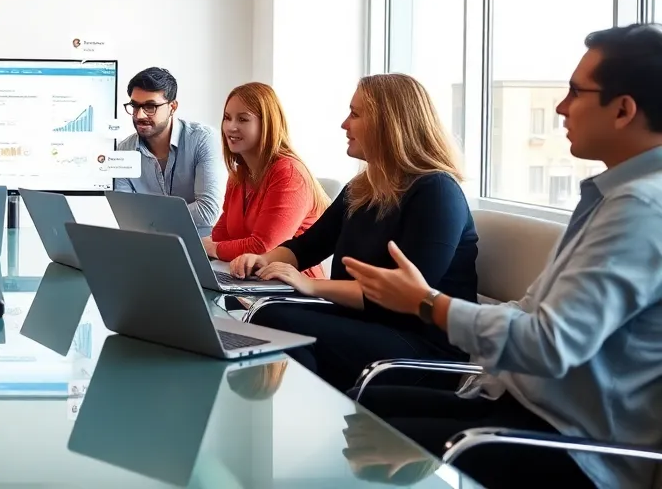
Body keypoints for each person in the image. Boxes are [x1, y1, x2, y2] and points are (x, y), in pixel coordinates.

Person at [347, 24, 662, 489]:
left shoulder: (642, 209)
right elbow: (533, 309)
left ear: (623, 110)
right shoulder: (613, 198)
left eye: (576, 92)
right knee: (367, 404)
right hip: (519, 403)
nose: (561, 107)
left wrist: (428, 303)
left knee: (373, 437)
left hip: (572, 446)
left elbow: (550, 344)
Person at [229, 73, 479, 392]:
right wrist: (263, 260)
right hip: (365, 325)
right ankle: (297, 411)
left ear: (389, 124)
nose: (344, 124)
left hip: (419, 347)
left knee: (278, 321)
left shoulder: (437, 192)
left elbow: (402, 294)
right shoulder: (362, 188)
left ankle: (295, 411)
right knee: (264, 312)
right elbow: (308, 245)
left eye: (355, 114)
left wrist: (312, 285)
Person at [204, 82, 328, 279]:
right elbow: (221, 235)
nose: (230, 127)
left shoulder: (288, 172)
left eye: (243, 119)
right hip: (248, 276)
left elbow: (264, 247)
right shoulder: (239, 174)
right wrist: (205, 246)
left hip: (292, 282)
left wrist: (213, 248)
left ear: (267, 124)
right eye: (227, 118)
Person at [113, 67, 226, 228]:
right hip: (147, 240)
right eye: (135, 106)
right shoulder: (124, 150)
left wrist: (150, 221)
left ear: (172, 107)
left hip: (199, 242)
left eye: (150, 107)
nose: (139, 115)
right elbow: (124, 213)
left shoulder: (202, 139)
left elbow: (207, 211)